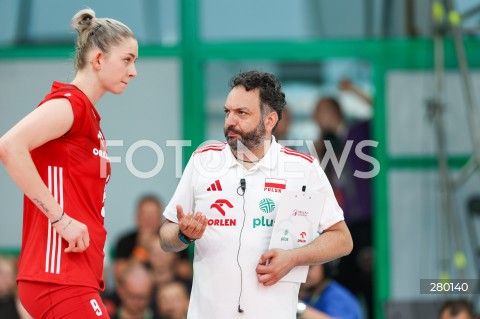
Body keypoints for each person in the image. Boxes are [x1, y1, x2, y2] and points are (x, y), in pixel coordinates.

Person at [159, 70, 353, 319]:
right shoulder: (202, 162)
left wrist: (293, 258)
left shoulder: (303, 168)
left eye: (242, 113)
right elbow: (166, 237)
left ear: (270, 120)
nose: (230, 121)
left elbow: (342, 239)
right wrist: (183, 235)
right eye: (227, 112)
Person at [0, 8, 138, 318]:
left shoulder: (89, 118)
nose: (133, 71)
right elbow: (9, 147)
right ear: (99, 59)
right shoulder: (70, 105)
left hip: (77, 277)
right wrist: (60, 219)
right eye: (127, 60)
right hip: (56, 277)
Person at [312, 79, 374, 318]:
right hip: (337, 223)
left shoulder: (358, 132)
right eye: (316, 114)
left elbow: (383, 108)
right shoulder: (322, 145)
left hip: (361, 221)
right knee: (344, 280)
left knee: (368, 279)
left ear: (336, 111)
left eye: (323, 111)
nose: (320, 118)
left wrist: (355, 90)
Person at [113, 195, 164, 282]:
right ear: (137, 217)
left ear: (161, 217)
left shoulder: (171, 240)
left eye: (153, 215)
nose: (149, 219)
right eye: (145, 214)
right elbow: (120, 276)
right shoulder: (125, 241)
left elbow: (185, 273)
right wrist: (142, 249)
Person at [297, 263, 363, 319]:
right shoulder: (307, 294)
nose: (303, 272)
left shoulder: (338, 298)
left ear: (326, 266)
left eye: (310, 267)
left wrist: (298, 308)